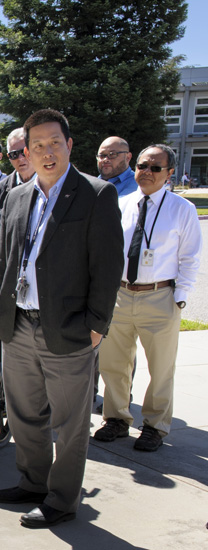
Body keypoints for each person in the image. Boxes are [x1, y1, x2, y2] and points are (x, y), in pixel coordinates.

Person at [0, 109, 123, 529]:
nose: (47, 152)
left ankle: (62, 499)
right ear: (26, 151)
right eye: (38, 145)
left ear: (69, 145)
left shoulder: (96, 194)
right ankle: (33, 483)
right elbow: (10, 259)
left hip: (68, 328)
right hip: (19, 326)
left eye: (54, 143)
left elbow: (107, 266)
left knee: (70, 423)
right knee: (24, 414)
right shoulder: (14, 197)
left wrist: (97, 324)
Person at [95, 144, 202, 452]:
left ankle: (155, 426)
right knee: (114, 364)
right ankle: (116, 419)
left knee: (161, 368)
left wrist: (178, 298)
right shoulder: (122, 203)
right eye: (142, 166)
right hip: (121, 294)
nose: (147, 172)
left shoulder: (182, 209)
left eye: (156, 168)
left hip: (160, 296)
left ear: (169, 174)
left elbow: (191, 258)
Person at [0, 128, 33, 227]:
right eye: (14, 154)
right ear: (8, 157)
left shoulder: (49, 185)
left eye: (25, 152)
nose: (21, 158)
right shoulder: (1, 190)